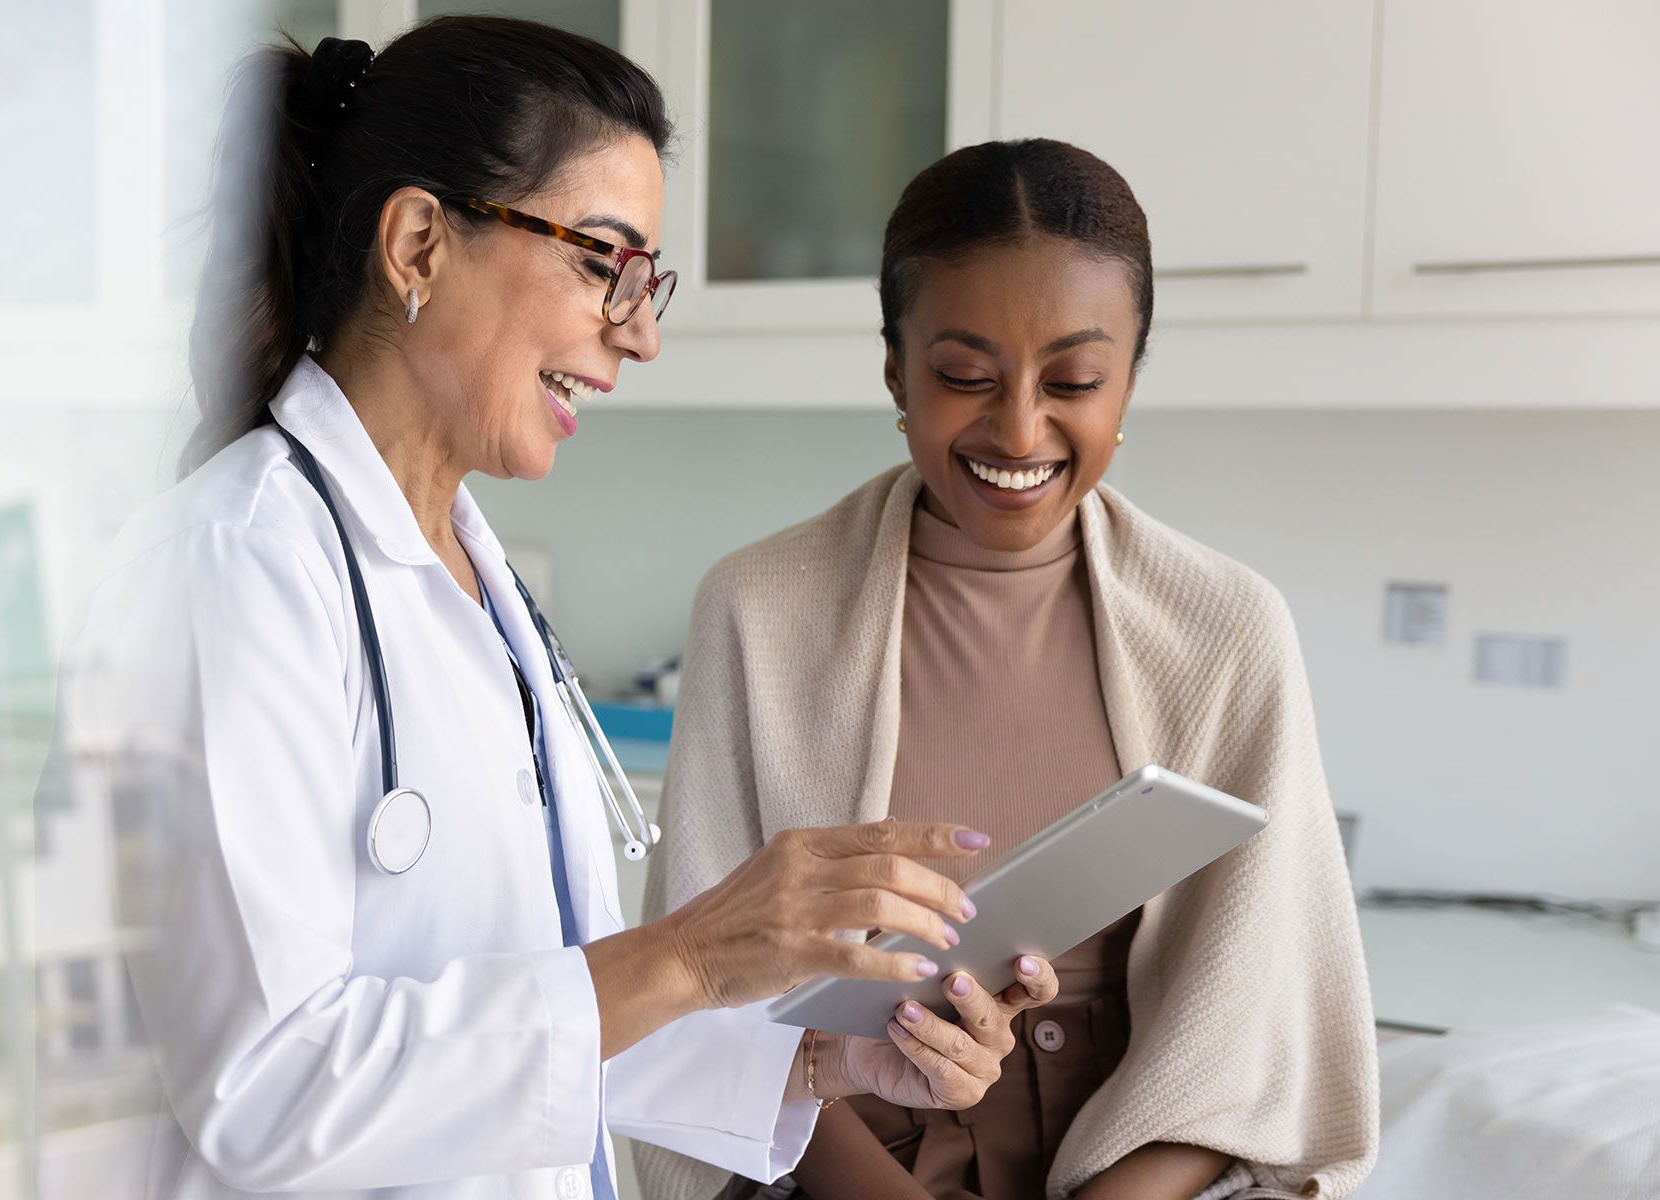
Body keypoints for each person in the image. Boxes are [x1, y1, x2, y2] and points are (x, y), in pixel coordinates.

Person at [53, 19, 1061, 1200]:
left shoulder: (485, 591)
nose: (637, 332)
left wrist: (839, 1059)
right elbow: (268, 1091)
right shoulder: (228, 568)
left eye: (646, 281)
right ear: (420, 242)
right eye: (602, 261)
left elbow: (550, 1023)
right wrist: (688, 953)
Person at [634, 140, 1378, 1200]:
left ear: (1129, 378)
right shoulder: (758, 611)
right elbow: (708, 1009)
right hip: (833, 1165)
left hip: (1135, 1168)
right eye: (964, 377)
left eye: (1073, 379)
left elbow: (1256, 1027)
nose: (1020, 428)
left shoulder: (1229, 629)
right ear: (896, 369)